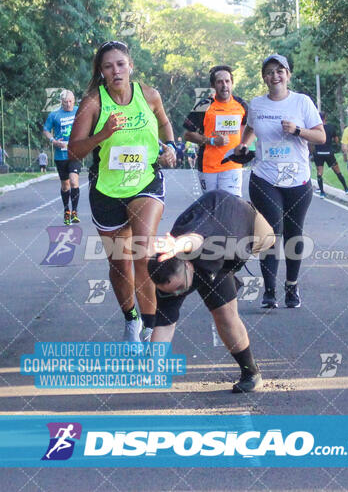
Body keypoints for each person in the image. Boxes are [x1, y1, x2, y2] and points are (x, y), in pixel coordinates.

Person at [68, 40, 176, 343]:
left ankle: (154, 330)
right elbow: (74, 151)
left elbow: (165, 124)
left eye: (120, 64)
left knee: (143, 252)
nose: (116, 70)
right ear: (101, 72)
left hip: (145, 182)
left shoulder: (149, 95)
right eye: (108, 66)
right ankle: (131, 319)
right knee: (119, 262)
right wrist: (103, 134)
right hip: (108, 190)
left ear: (130, 66)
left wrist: (170, 147)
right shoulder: (93, 103)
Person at [147, 190, 275, 392]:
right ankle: (251, 373)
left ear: (188, 264)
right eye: (172, 291)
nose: (178, 293)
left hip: (242, 218)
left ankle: (226, 273)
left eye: (180, 287)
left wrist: (180, 243)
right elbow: (164, 326)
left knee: (270, 240)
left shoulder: (203, 247)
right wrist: (154, 367)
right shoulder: (166, 273)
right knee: (224, 313)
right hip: (213, 260)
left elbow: (195, 238)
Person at [235, 54, 325, 310]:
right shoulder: (257, 104)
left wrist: (297, 130)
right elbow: (251, 129)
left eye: (280, 71)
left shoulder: (302, 102)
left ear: (288, 75)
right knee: (271, 232)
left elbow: (320, 136)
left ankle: (292, 286)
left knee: (294, 234)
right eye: (270, 72)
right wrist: (244, 144)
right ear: (264, 77)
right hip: (265, 177)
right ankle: (270, 291)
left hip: (297, 178)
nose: (275, 76)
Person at [183, 65, 248, 197]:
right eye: (220, 82)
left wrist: (244, 144)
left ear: (232, 83)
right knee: (211, 208)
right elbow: (188, 134)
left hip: (232, 165)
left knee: (231, 205)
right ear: (213, 86)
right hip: (208, 167)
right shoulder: (204, 105)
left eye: (227, 81)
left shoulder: (241, 105)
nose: (224, 85)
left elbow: (248, 127)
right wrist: (211, 140)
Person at [43, 90, 81, 225]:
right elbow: (46, 130)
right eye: (66, 102)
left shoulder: (79, 110)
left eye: (71, 101)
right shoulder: (54, 115)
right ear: (61, 102)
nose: (69, 104)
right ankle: (67, 210)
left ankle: (75, 212)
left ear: (74, 100)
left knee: (74, 181)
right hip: (61, 155)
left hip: (75, 153)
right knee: (65, 186)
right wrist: (53, 141)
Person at [312, 111, 348, 198]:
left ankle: (322, 192)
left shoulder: (315, 128)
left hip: (318, 153)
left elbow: (312, 141)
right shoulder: (331, 127)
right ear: (325, 118)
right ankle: (346, 189)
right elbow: (336, 140)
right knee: (337, 171)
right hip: (329, 153)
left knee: (319, 173)